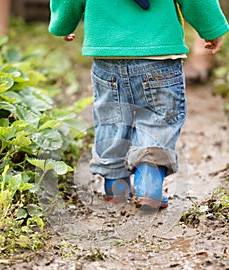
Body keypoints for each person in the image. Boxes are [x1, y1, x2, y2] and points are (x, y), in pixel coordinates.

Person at [49, 0, 229, 208]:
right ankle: (149, 185)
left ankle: (116, 189)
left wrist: (63, 23)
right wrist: (211, 27)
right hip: (160, 53)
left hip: (107, 54)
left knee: (112, 121)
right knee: (157, 120)